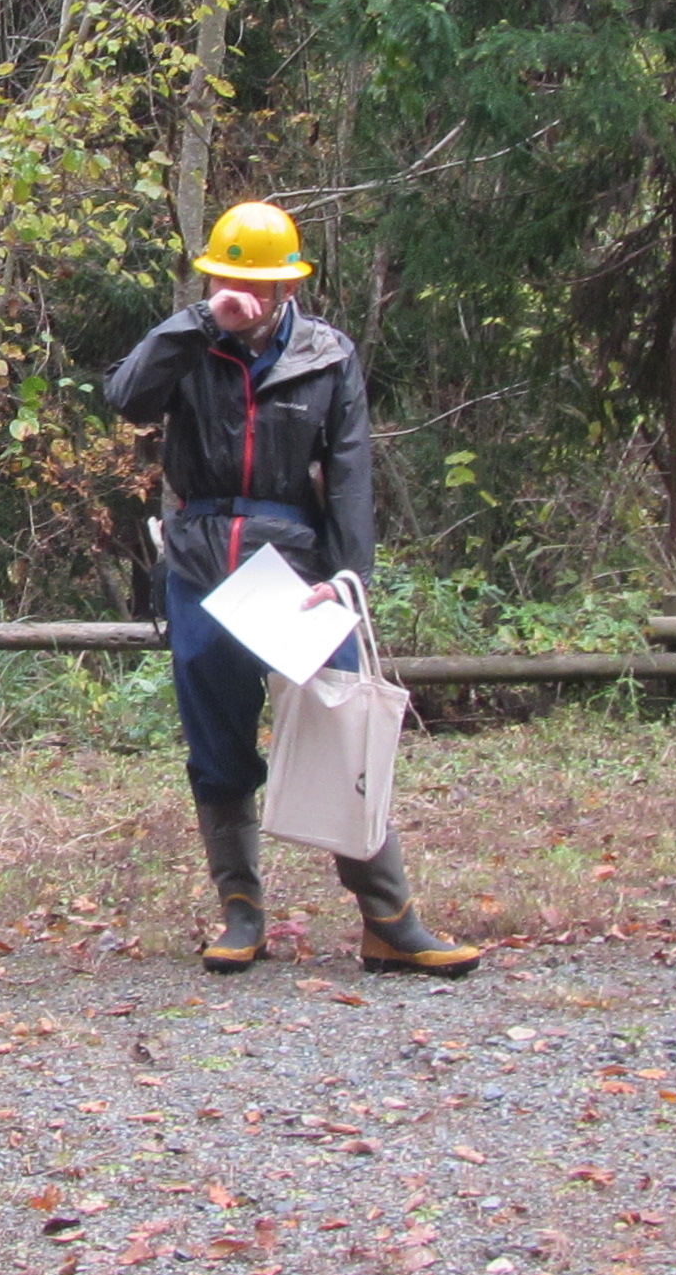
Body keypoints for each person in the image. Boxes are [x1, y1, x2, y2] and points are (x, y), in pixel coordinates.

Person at [104, 201, 478, 978]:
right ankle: (241, 913)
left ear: (286, 287)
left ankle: (390, 918)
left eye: (260, 283)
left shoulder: (328, 354)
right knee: (217, 744)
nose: (246, 295)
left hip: (298, 571)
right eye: (230, 279)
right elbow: (126, 397)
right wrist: (194, 324)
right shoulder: (189, 343)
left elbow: (349, 474)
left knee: (343, 728)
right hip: (203, 564)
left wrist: (349, 581)